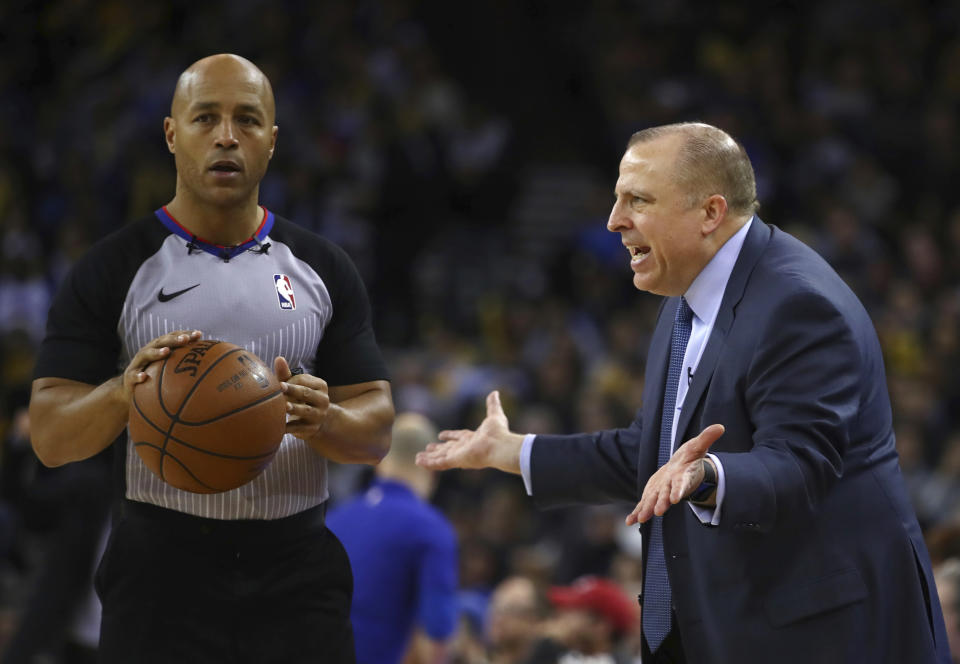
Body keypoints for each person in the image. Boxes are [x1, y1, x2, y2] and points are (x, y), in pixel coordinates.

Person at [418, 122, 950, 663]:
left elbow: (799, 463)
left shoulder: (798, 305)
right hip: (729, 628)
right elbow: (652, 457)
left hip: (825, 634)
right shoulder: (686, 296)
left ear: (710, 213)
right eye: (617, 198)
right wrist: (513, 451)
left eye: (638, 200)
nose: (613, 220)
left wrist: (707, 476)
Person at [28, 54, 394, 663]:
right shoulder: (114, 268)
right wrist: (126, 391)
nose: (227, 135)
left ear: (271, 142)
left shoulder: (322, 267)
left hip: (296, 569)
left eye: (247, 120)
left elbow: (376, 429)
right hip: (160, 569)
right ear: (173, 134)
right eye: (206, 118)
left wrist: (328, 419)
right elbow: (49, 436)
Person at [327, 413, 458, 664]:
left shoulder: (334, 520)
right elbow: (438, 632)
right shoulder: (430, 528)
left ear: (379, 461)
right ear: (435, 465)